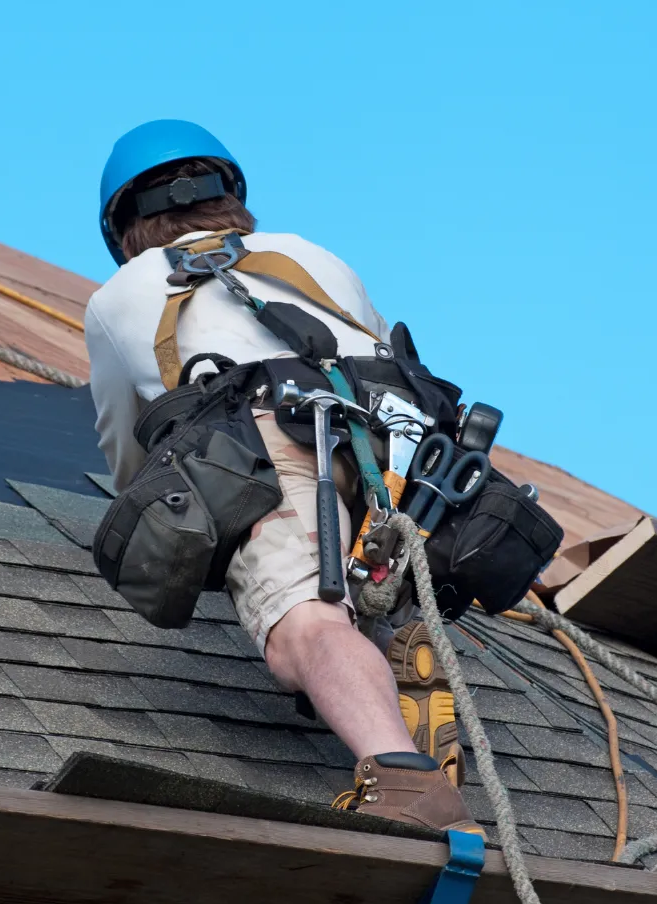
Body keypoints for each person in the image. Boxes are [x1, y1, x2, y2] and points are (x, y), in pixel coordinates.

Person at [86, 119, 483, 837]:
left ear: (126, 227)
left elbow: (128, 453)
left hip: (266, 436)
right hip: (399, 451)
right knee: (367, 572)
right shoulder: (309, 255)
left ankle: (397, 770)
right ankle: (386, 641)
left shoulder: (122, 291)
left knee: (301, 622)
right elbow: (385, 354)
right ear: (229, 196)